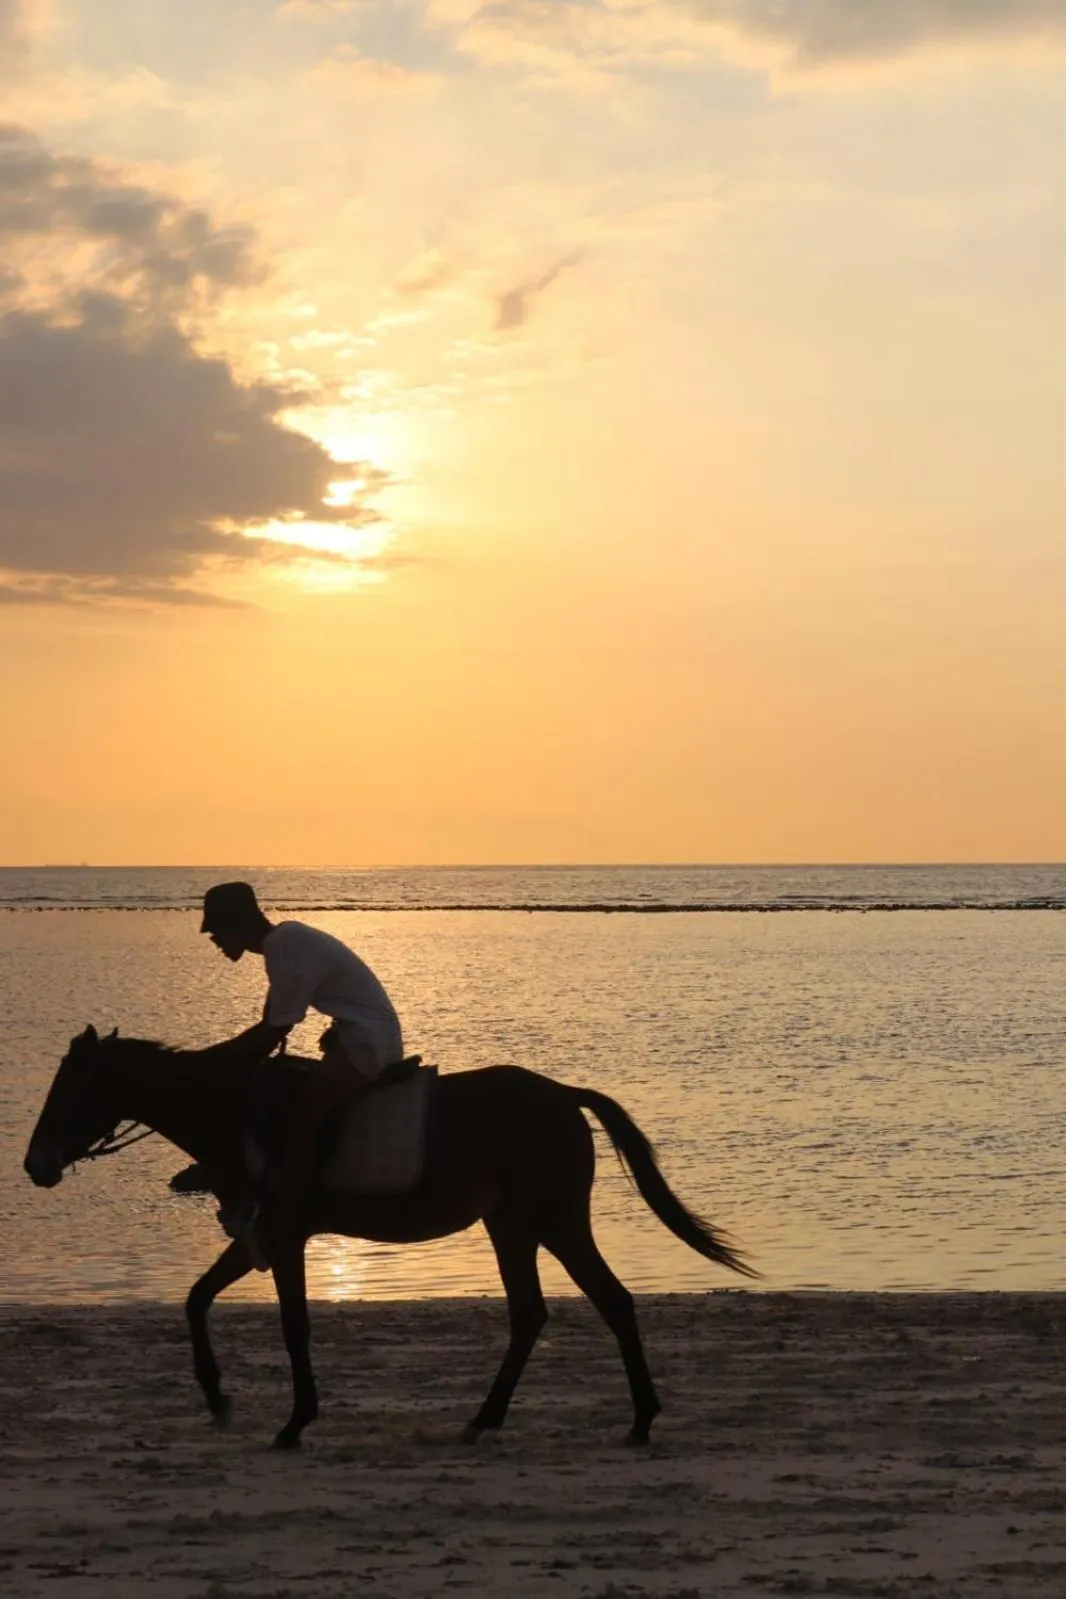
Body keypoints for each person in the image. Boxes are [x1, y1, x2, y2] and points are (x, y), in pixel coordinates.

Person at [200, 881, 405, 1254]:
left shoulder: (284, 946)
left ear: (235, 926)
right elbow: (274, 1022)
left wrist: (211, 1061)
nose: (213, 939)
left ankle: (290, 1210)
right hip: (354, 1034)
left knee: (303, 1113)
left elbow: (277, 1027)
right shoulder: (282, 944)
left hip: (365, 1041)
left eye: (215, 931)